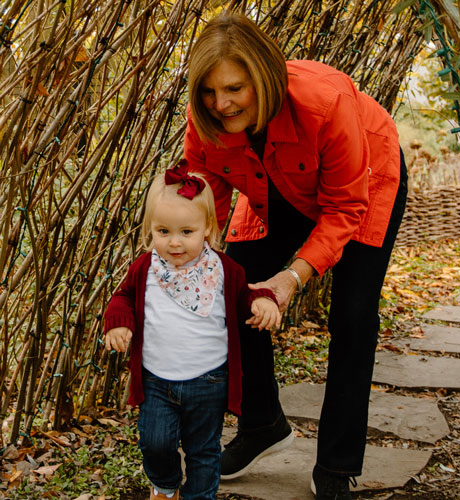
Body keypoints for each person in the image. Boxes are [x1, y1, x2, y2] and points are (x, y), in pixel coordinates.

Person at [183, 12, 408, 500]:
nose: (220, 104)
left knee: (352, 315)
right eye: (208, 91)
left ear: (262, 77)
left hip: (364, 181)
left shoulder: (327, 101)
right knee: (235, 285)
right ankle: (262, 422)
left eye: (235, 89)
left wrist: (292, 276)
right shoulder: (205, 122)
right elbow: (202, 196)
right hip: (277, 187)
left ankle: (337, 462)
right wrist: (184, 262)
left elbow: (345, 206)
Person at [103, 161, 281, 500]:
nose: (174, 243)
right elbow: (122, 298)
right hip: (156, 379)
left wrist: (263, 301)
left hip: (208, 380)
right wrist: (119, 322)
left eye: (187, 232)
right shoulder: (145, 268)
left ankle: (200, 496)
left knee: (204, 450)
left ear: (208, 229)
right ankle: (165, 484)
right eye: (163, 231)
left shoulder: (224, 269)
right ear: (150, 229)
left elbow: (245, 296)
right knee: (155, 442)